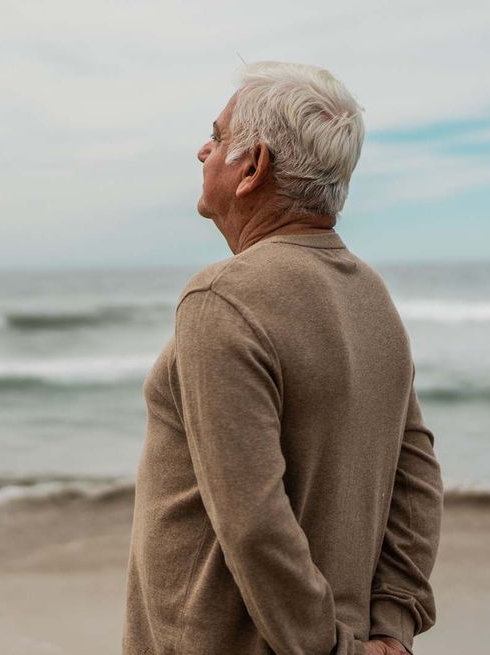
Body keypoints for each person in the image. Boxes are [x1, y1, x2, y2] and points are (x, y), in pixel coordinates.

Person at [122, 61, 443, 655]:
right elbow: (417, 474)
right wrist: (389, 629)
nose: (202, 152)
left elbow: (253, 520)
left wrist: (328, 648)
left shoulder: (223, 297)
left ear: (253, 167)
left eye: (217, 137)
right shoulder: (370, 294)